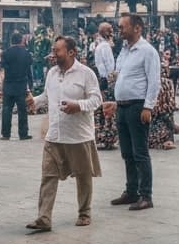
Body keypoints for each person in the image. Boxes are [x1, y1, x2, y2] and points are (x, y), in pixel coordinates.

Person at [25, 36, 103, 232]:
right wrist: (35, 101)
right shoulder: (52, 73)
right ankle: (44, 218)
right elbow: (47, 95)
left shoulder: (86, 74)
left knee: (83, 176)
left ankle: (84, 213)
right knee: (48, 175)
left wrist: (78, 106)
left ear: (71, 52)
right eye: (53, 50)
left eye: (57, 51)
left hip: (78, 135)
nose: (53, 54)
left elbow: (97, 100)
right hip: (55, 134)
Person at [110, 14, 160, 210]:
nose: (119, 30)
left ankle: (146, 195)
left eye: (123, 27)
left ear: (137, 28)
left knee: (140, 153)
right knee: (127, 153)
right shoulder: (124, 51)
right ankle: (131, 191)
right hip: (122, 105)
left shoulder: (147, 51)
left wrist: (148, 106)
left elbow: (154, 81)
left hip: (138, 106)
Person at [0, 32, 33, 140]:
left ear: (11, 41)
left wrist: (1, 84)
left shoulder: (5, 53)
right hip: (21, 85)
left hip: (8, 84)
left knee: (6, 109)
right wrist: (30, 86)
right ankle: (23, 133)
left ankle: (5, 133)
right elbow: (29, 71)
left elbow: (2, 70)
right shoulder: (27, 54)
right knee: (22, 110)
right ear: (21, 41)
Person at [91, 23, 118, 151]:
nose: (113, 32)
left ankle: (101, 137)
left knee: (101, 110)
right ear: (106, 32)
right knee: (108, 110)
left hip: (101, 80)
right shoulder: (105, 46)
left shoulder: (97, 45)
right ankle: (107, 137)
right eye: (111, 30)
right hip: (107, 80)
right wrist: (111, 79)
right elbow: (109, 65)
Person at [147, 59, 178, 150]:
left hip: (150, 119)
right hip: (163, 118)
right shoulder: (168, 83)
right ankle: (167, 141)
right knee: (168, 115)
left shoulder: (150, 82)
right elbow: (170, 105)